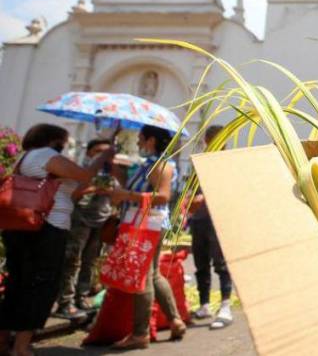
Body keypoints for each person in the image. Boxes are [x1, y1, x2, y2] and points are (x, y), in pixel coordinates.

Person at [0, 124, 111, 356]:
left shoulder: (25, 158)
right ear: (53, 140)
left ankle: (4, 340)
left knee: (18, 283)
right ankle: (21, 346)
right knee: (41, 285)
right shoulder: (47, 156)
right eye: (64, 141)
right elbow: (86, 175)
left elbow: (72, 189)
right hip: (46, 227)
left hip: (21, 226)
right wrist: (102, 158)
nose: (66, 145)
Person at [100, 125, 186, 349]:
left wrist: (126, 195)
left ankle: (140, 334)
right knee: (154, 274)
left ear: (151, 140)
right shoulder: (150, 164)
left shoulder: (159, 165)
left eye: (141, 139)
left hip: (147, 224)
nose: (138, 143)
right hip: (145, 223)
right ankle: (175, 320)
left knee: (144, 276)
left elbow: (164, 196)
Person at [54, 138, 116, 319]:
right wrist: (92, 189)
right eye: (99, 151)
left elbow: (118, 195)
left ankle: (82, 297)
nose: (103, 155)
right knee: (72, 260)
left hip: (101, 220)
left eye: (106, 152)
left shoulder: (111, 172)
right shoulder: (81, 170)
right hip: (80, 218)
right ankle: (65, 301)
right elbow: (73, 194)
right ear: (89, 152)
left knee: (90, 261)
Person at [189, 125, 234, 328]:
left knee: (221, 264)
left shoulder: (228, 162)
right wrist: (190, 201)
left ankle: (225, 305)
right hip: (198, 219)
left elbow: (229, 190)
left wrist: (205, 197)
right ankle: (204, 304)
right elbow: (190, 189)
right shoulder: (199, 162)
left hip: (218, 220)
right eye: (211, 139)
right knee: (201, 264)